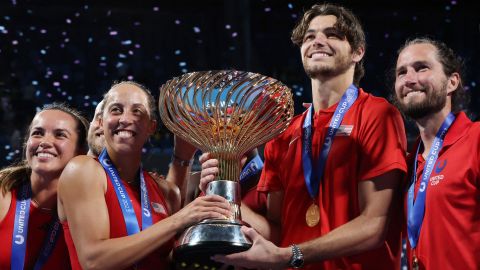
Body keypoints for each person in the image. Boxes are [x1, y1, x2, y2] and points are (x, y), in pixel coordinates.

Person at [200, 3, 407, 269]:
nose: (318, 41)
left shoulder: (377, 115)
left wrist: (290, 255)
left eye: (332, 34)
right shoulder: (284, 134)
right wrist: (225, 197)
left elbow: (374, 225)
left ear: (358, 52)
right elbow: (277, 232)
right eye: (309, 36)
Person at [57, 81, 231, 270]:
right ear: (101, 121)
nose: (125, 119)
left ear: (151, 127)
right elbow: (94, 261)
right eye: (116, 110)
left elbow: (171, 260)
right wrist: (180, 218)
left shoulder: (166, 191)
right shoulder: (83, 170)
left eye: (137, 111)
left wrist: (209, 201)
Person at [393, 37, 480, 269]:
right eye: (401, 73)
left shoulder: (476, 140)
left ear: (452, 82)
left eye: (422, 68)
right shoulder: (408, 162)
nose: (410, 79)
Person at [0, 103, 89, 269]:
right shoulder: (3, 189)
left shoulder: (88, 211)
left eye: (60, 135)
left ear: (80, 152)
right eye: (38, 133)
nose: (45, 142)